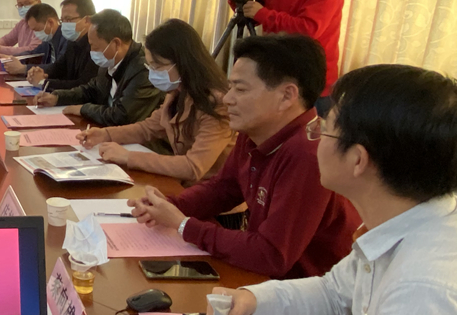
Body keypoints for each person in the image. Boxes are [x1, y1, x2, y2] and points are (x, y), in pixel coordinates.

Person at [206, 64, 457, 315]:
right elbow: (335, 294)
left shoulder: (423, 287)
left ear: (358, 160)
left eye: (323, 129)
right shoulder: (406, 221)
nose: (313, 138)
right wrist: (253, 299)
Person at [128, 34, 358, 279]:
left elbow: (271, 255)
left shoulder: (309, 154)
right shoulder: (255, 130)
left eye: (240, 89)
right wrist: (169, 206)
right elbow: (224, 188)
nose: (228, 99)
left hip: (308, 290)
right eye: (230, 88)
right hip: (266, 278)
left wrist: (184, 225)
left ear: (287, 96)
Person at [78, 19, 235, 184]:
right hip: (183, 185)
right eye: (150, 66)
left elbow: (193, 166)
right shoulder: (177, 93)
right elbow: (147, 129)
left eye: (157, 67)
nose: (153, 73)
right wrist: (105, 134)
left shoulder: (217, 104)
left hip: (213, 192)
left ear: (183, 62)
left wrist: (129, 157)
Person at [35, 9, 161, 126]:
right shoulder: (108, 62)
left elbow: (122, 115)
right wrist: (57, 97)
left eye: (95, 47)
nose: (92, 51)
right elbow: (91, 90)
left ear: (116, 43)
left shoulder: (144, 70)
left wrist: (83, 109)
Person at [27, 0, 99, 91]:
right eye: (62, 20)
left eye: (68, 19)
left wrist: (44, 82)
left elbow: (83, 84)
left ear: (87, 20)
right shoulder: (73, 42)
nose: (64, 24)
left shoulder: (96, 46)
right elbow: (59, 68)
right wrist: (38, 72)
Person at [1, 3, 66, 75]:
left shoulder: (66, 40)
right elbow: (33, 53)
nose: (36, 34)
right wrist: (11, 58)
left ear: (50, 23)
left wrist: (24, 68)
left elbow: (59, 68)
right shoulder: (48, 40)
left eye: (37, 29)